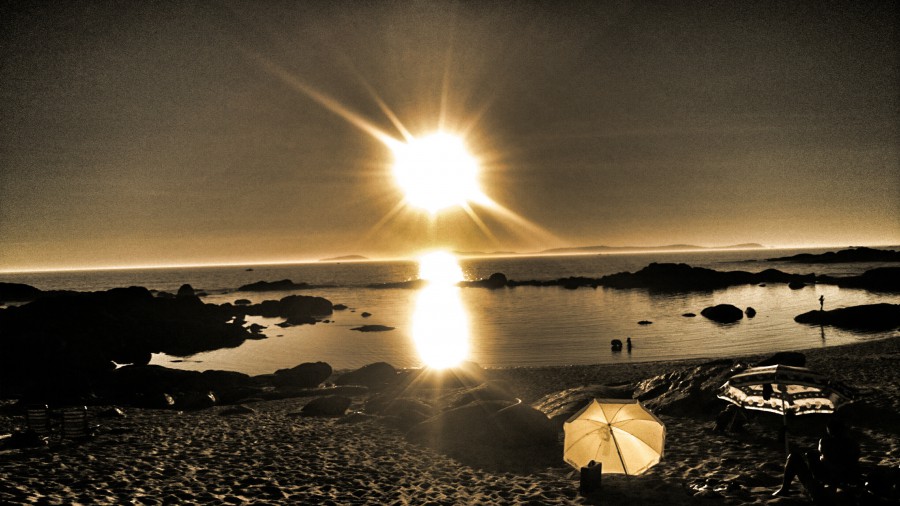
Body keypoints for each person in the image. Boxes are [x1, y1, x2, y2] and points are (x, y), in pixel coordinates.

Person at [773, 418, 860, 500]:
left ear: (829, 430)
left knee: (794, 457)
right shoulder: (853, 444)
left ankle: (784, 489)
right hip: (843, 484)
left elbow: (825, 463)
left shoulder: (825, 443)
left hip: (821, 489)